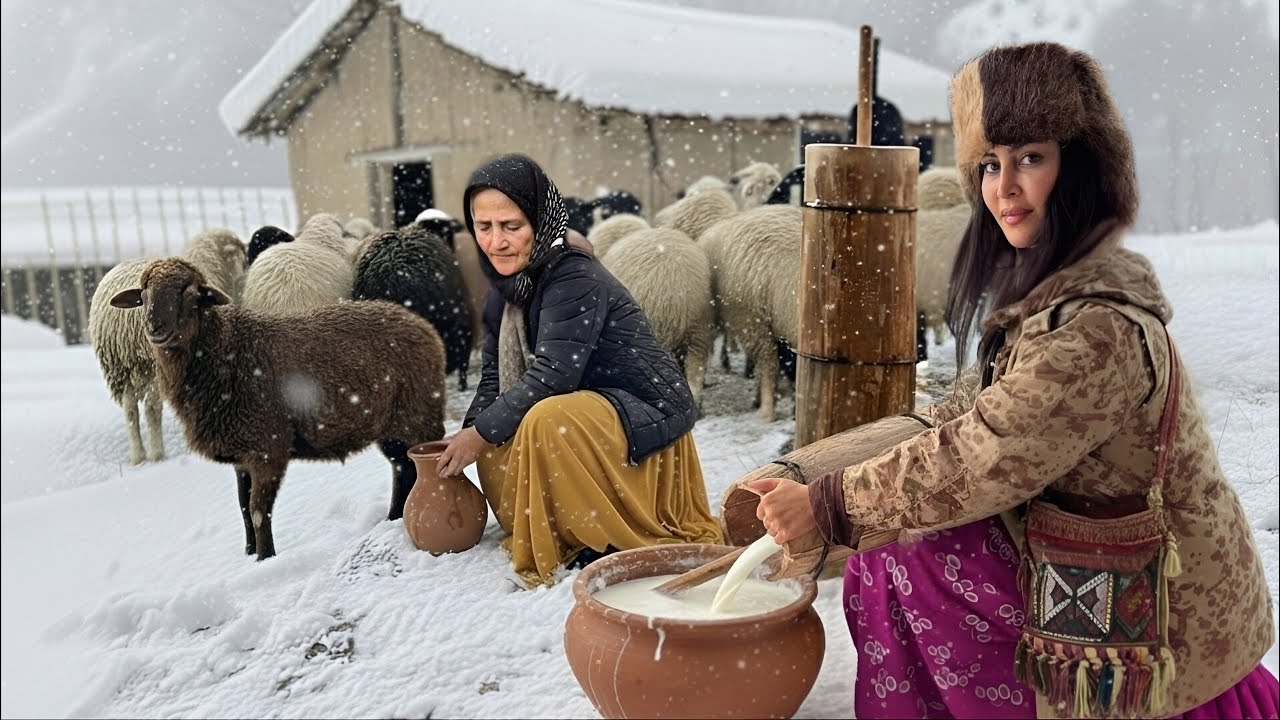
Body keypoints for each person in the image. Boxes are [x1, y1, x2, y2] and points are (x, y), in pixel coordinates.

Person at [749, 42, 1277, 718]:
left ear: (1081, 167)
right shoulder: (1056, 297)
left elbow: (986, 454)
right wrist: (837, 481)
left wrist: (833, 505)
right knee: (891, 544)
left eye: (1031, 157)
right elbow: (974, 412)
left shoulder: (1093, 329)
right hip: (1099, 548)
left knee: (908, 557)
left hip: (1168, 613)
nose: (1004, 187)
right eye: (990, 165)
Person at [435, 153, 722, 587]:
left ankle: (603, 533)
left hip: (642, 406)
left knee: (545, 420)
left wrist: (482, 431)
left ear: (540, 219)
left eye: (512, 226)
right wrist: (470, 432)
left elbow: (555, 374)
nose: (496, 241)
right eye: (484, 227)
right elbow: (495, 377)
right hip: (591, 406)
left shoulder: (572, 277)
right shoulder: (506, 290)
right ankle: (561, 528)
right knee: (495, 435)